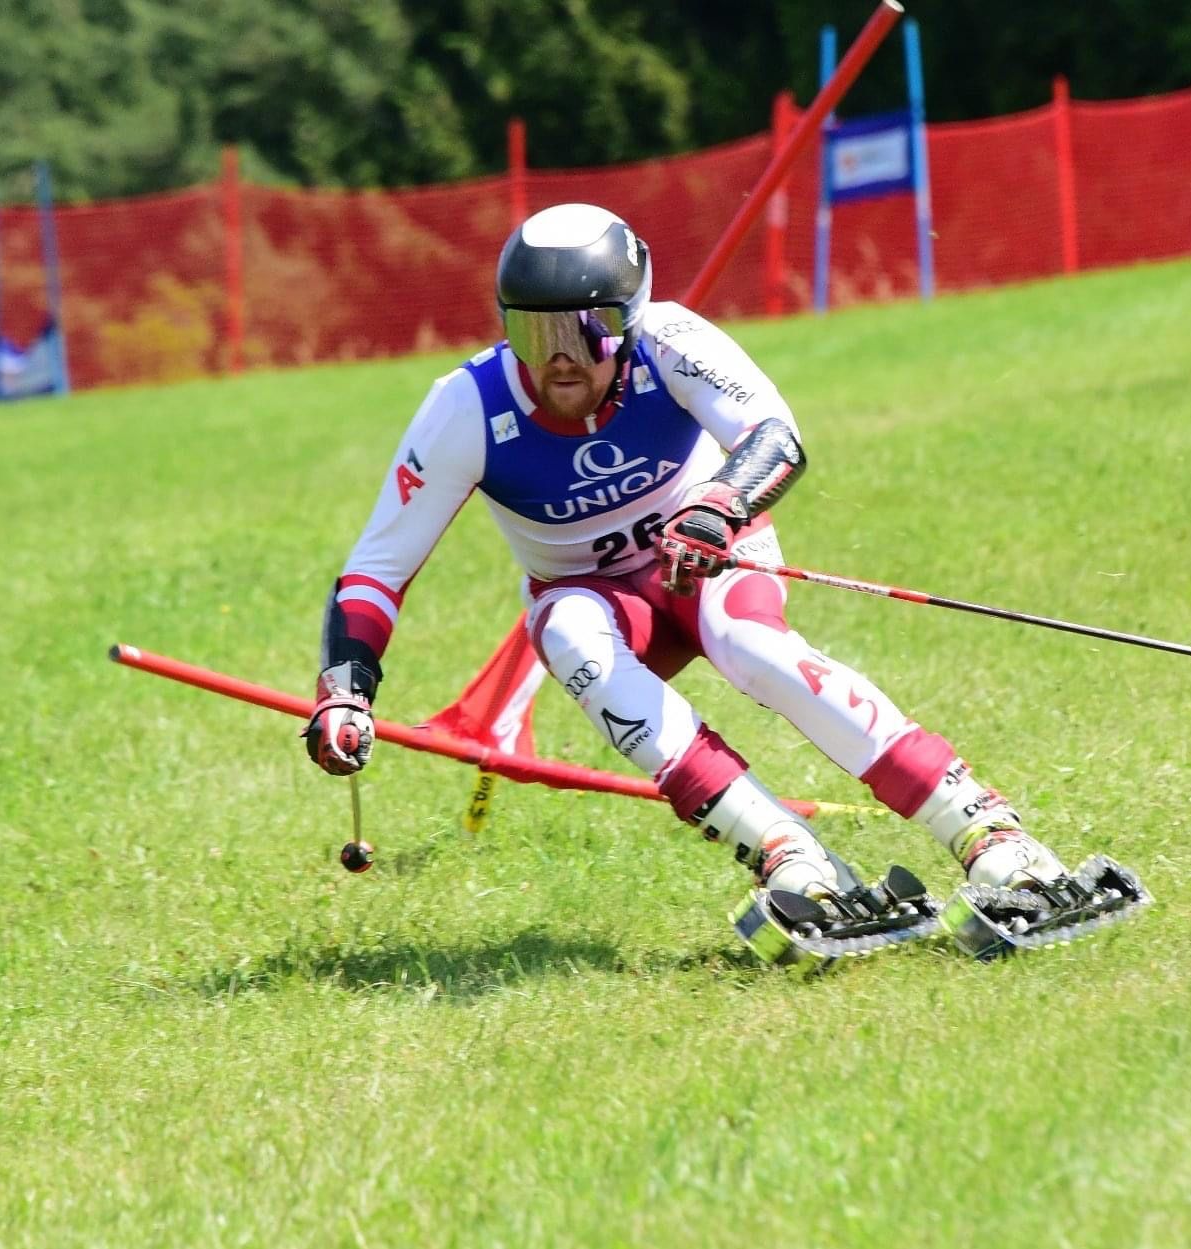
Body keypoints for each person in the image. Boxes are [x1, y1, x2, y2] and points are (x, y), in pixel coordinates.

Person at [302, 202, 1087, 927]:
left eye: (590, 330)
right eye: (536, 335)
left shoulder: (674, 341)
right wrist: (345, 692)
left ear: (632, 320)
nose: (563, 360)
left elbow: (775, 437)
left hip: (710, 552)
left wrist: (718, 505)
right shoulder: (466, 406)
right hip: (591, 594)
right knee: (570, 636)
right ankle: (787, 855)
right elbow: (376, 568)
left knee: (753, 648)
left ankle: (986, 831)